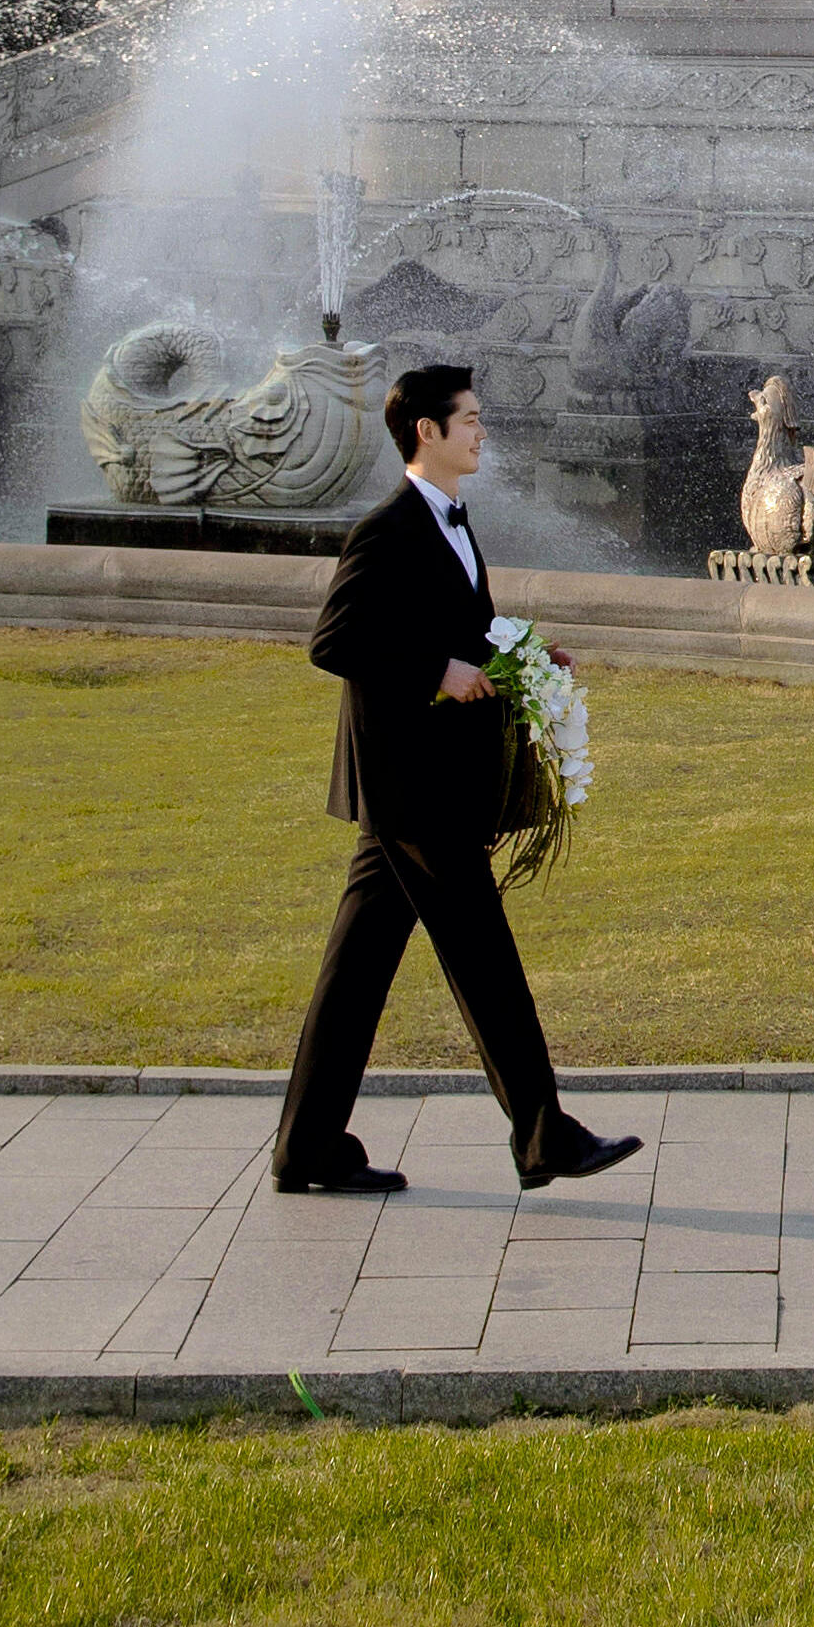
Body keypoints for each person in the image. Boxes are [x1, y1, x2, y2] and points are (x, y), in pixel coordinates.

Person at [270, 364, 640, 1197]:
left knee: (356, 973)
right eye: (468, 420)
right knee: (484, 960)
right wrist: (435, 670)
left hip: (418, 789)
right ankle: (544, 1134)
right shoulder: (389, 526)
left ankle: (307, 1148)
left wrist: (525, 662)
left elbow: (464, 630)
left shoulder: (450, 525)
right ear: (426, 433)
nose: (481, 432)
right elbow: (334, 643)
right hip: (414, 791)